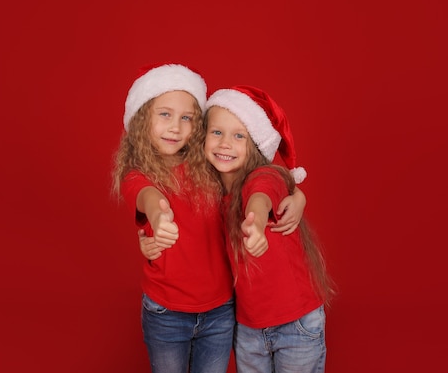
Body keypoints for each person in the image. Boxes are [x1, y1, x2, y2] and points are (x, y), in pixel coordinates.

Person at [111, 64, 307, 373]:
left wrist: (298, 197)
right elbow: (147, 196)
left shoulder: (212, 165)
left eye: (186, 118)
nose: (175, 127)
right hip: (166, 312)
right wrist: (159, 218)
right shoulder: (139, 174)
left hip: (220, 311)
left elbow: (260, 183)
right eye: (165, 114)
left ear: (198, 126)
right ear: (141, 120)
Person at [203, 85, 336, 373]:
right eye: (217, 132)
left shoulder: (265, 174)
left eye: (239, 135)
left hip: (296, 324)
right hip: (248, 329)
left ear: (256, 145)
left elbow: (260, 195)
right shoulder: (211, 193)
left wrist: (257, 223)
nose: (225, 143)